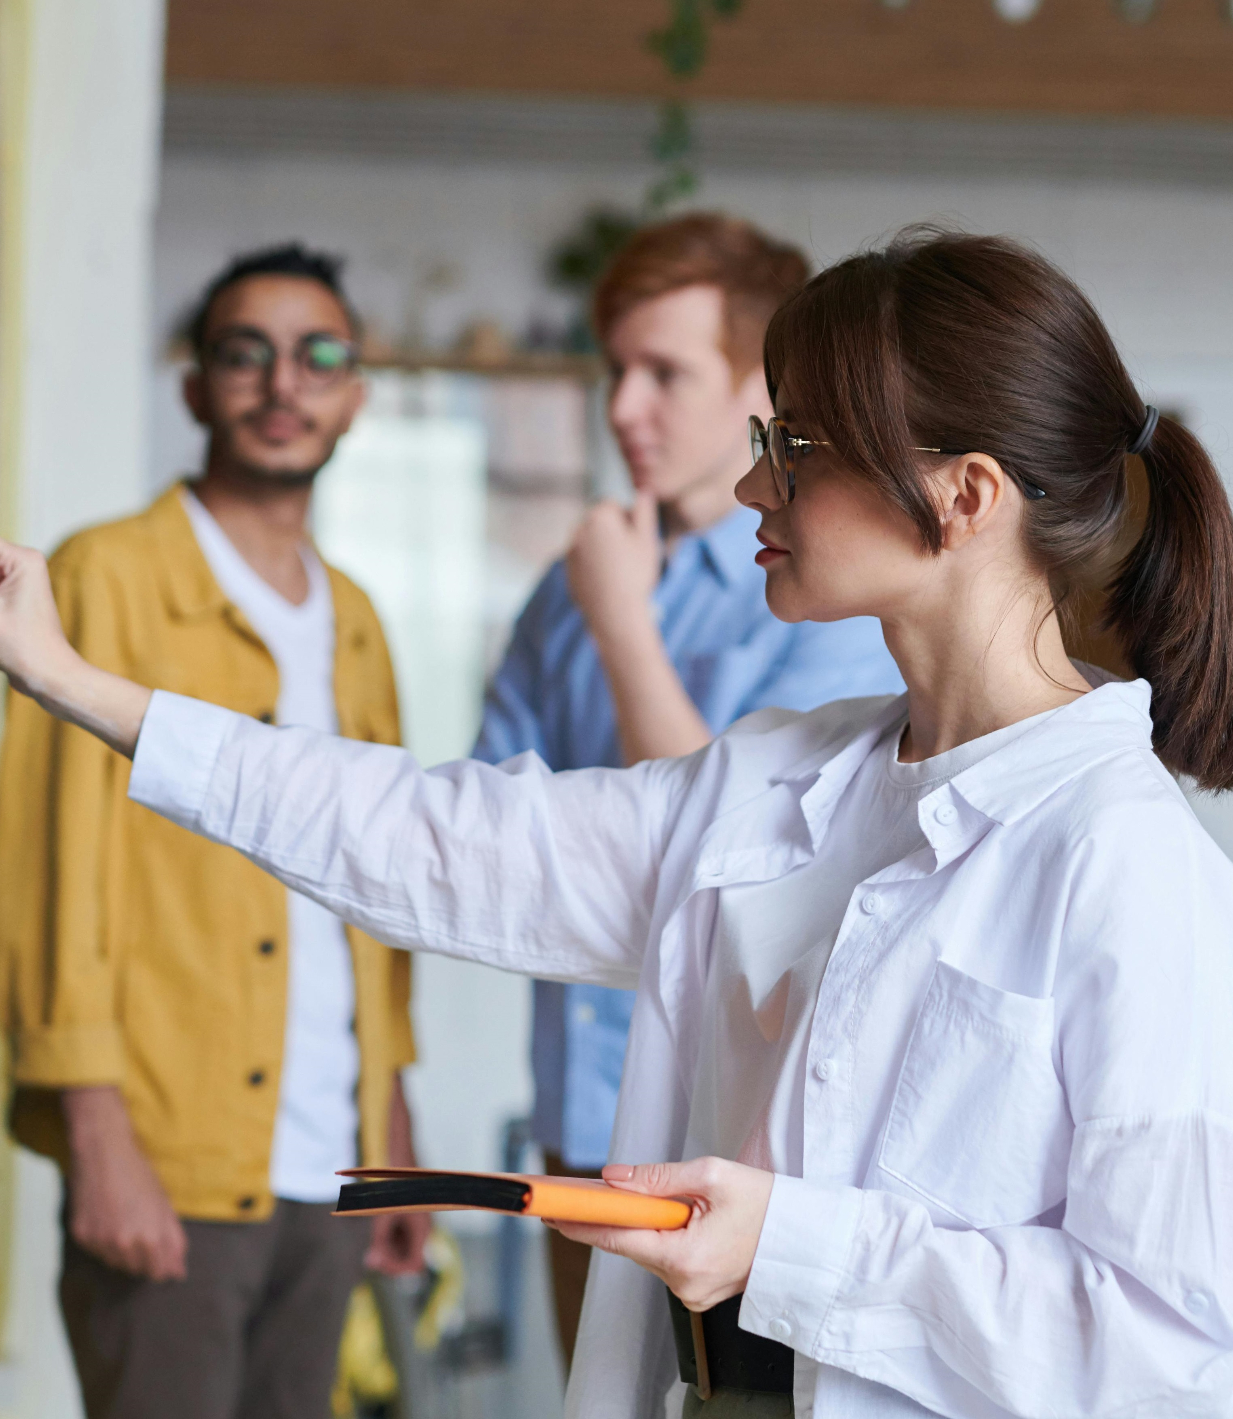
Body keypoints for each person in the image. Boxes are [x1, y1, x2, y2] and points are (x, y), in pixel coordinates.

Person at [0, 228, 1233, 1419]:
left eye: (798, 444)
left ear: (964, 496)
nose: (755, 482)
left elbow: (1202, 1349)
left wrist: (799, 1245)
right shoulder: (780, 780)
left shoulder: (1134, 879)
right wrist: (82, 682)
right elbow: (438, 837)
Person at [0, 243, 426, 1419]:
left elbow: (372, 885)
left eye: (318, 356)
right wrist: (96, 1136)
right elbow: (46, 865)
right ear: (194, 389)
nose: (284, 384)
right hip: (170, 1157)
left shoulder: (361, 622)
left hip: (332, 1170)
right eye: (247, 353)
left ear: (355, 397)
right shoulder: (107, 577)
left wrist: (394, 1119)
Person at [474, 214, 902, 1363]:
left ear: (757, 390)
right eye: (614, 369)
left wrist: (621, 622)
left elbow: (738, 854)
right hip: (582, 1124)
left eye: (663, 372)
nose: (624, 407)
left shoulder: (844, 598)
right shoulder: (565, 593)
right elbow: (495, 836)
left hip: (751, 1147)